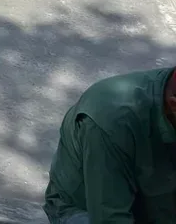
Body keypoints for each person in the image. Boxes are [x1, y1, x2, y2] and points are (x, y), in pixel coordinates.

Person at [44, 67, 176, 223]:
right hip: (88, 208)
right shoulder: (111, 121)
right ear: (173, 105)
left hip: (153, 199)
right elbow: (110, 218)